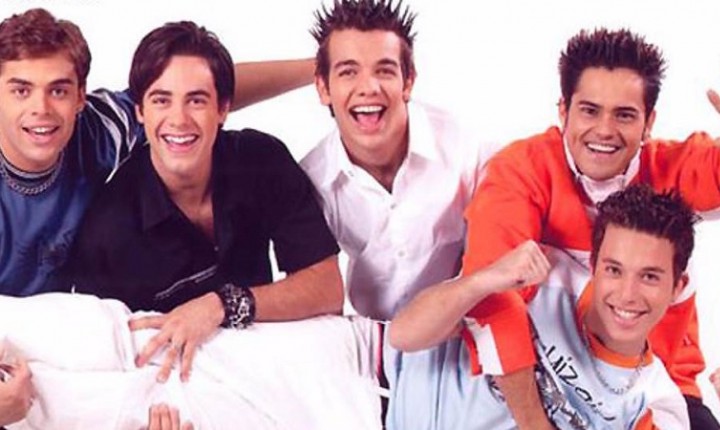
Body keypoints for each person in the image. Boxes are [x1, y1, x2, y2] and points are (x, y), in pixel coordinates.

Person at [0, 7, 314, 425]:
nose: (41, 108)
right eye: (20, 90)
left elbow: (188, 88)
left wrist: (320, 69)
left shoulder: (98, 130)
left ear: (80, 98)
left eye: (58, 90)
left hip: (69, 332)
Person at [457, 28, 720, 429]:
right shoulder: (519, 172)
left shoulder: (666, 166)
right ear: (563, 110)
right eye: (589, 110)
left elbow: (713, 170)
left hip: (654, 384)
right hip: (547, 376)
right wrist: (534, 423)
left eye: (624, 115)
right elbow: (491, 298)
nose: (604, 130)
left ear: (649, 122)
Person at [63, 19, 343, 389]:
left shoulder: (261, 160)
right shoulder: (108, 229)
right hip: (174, 383)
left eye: (196, 100)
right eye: (161, 100)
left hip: (264, 364)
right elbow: (108, 362)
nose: (178, 120)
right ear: (140, 111)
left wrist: (220, 305)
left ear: (223, 108)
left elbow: (327, 290)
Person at [299, 0, 493, 423]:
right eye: (348, 71)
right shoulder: (311, 179)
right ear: (323, 88)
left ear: (409, 81)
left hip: (462, 339)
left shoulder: (462, 147)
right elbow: (313, 289)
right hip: (371, 350)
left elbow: (499, 249)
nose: (368, 87)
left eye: (384, 70)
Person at [390, 184, 696, 429]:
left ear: (677, 287)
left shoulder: (655, 403)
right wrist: (484, 279)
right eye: (614, 270)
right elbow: (403, 334)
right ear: (594, 265)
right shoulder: (541, 274)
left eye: (649, 277)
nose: (627, 294)